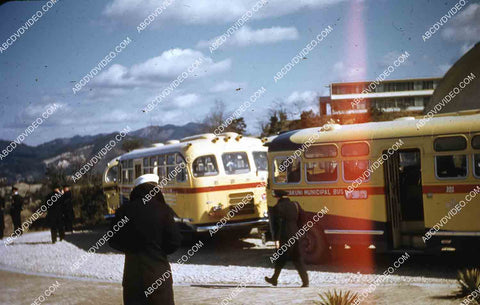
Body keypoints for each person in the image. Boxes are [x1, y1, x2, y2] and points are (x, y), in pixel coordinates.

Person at [109, 174, 182, 305]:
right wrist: (159, 250)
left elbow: (113, 240)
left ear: (136, 189)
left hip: (133, 279)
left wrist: (131, 247)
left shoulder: (124, 211)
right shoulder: (164, 211)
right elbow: (175, 242)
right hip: (158, 276)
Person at [265, 190, 309, 287]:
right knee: (298, 258)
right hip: (296, 234)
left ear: (278, 197)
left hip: (284, 235)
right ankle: (305, 281)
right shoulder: (295, 204)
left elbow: (276, 225)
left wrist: (276, 239)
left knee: (281, 258)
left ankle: (274, 279)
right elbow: (303, 219)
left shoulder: (277, 208)